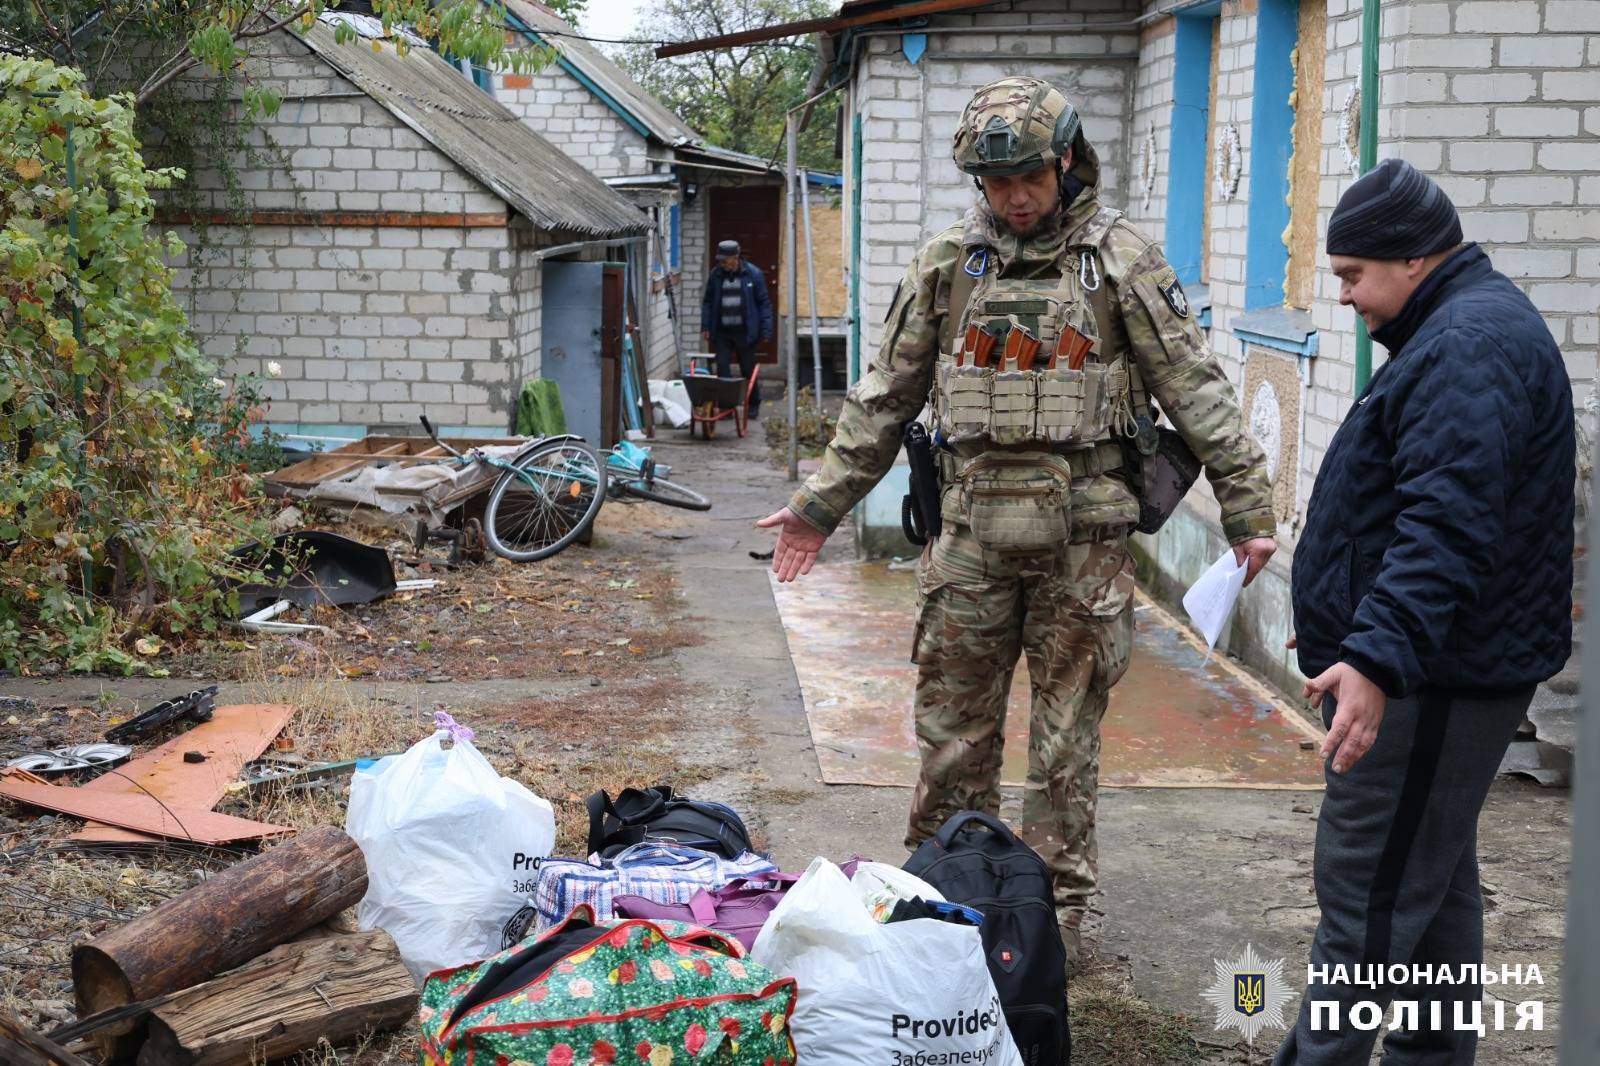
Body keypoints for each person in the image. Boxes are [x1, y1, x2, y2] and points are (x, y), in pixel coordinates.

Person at [756, 76, 1276, 973]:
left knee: (1067, 740)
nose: (1013, 198)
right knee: (952, 733)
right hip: (968, 538)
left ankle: (1051, 927)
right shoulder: (950, 265)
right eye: (995, 185)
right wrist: (818, 508)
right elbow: (885, 396)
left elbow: (1195, 389)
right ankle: (934, 905)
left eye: (1027, 178)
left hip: (1085, 540)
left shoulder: (1120, 262)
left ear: (1066, 160)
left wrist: (1247, 507)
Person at [1275, 158, 1574, 1065]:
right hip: (1438, 665)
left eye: (1352, 277)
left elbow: (1448, 525)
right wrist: (1350, 621)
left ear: (1412, 260)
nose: (1349, 300)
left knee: (1365, 901)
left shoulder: (1466, 347)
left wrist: (1374, 658)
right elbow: (1417, 508)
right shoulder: (1459, 329)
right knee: (1428, 890)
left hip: (1436, 679)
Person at [700, 239, 773, 418]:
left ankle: (754, 404)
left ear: (736, 258)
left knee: (747, 369)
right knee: (723, 368)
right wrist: (706, 325)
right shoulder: (716, 275)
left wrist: (766, 329)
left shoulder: (753, 274)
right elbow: (708, 301)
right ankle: (727, 407)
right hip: (723, 331)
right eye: (720, 261)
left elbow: (764, 303)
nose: (722, 264)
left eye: (726, 260)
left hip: (745, 331)